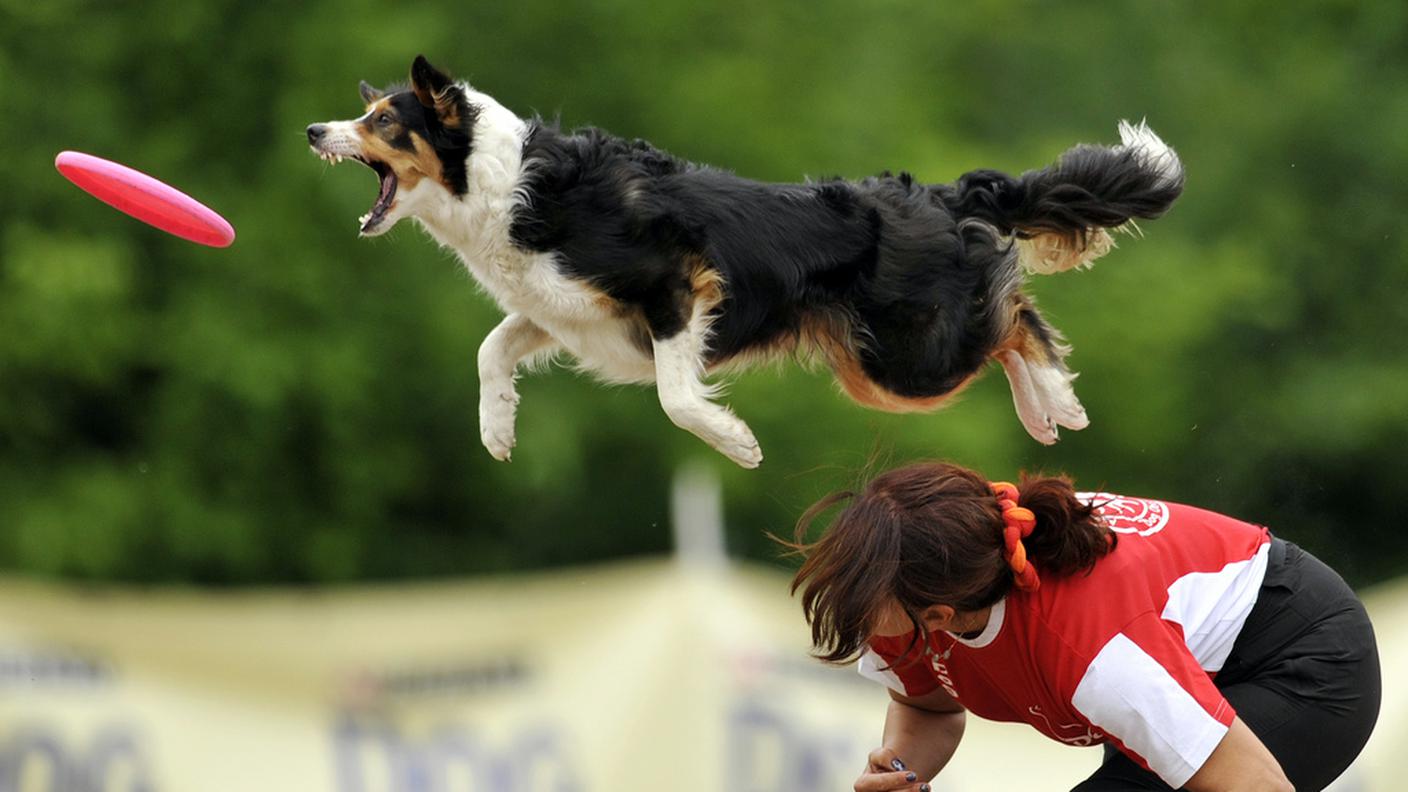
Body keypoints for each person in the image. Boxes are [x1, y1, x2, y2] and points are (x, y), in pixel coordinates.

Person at [787, 461, 1380, 792]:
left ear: (941, 617)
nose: (854, 611)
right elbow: (932, 707)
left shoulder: (1092, 647)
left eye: (864, 601)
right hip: (1185, 654)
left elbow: (1257, 789)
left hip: (1300, 655)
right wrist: (900, 767)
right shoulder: (912, 595)